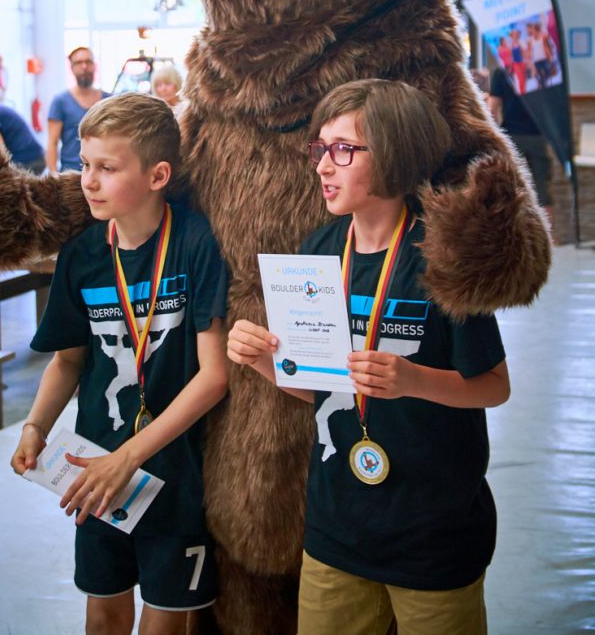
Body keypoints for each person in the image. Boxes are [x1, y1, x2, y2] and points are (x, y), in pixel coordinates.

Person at [228, 79, 510, 635]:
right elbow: (317, 384)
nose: (323, 166)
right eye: (321, 149)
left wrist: (413, 379)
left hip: (433, 531)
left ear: (397, 153)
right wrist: (263, 360)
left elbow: (493, 385)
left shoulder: (444, 254)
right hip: (337, 528)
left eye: (344, 150)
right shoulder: (318, 250)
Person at [10, 92, 229, 635]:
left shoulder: (195, 241)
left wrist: (129, 457)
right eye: (84, 164)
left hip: (175, 475)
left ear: (157, 175)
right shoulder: (82, 254)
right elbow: (67, 361)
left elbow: (214, 376)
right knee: (103, 614)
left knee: (167, 624)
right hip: (94, 471)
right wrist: (36, 425)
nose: (88, 180)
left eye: (107, 168)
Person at [489, 66, 554, 232]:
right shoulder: (538, 68)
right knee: (541, 187)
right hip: (537, 136)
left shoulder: (502, 70)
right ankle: (548, 238)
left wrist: (495, 134)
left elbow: (492, 109)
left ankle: (515, 235)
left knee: (510, 187)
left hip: (512, 137)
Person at [47, 47, 109, 172]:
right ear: (72, 68)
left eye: (88, 62)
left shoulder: (108, 101)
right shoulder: (60, 102)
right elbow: (52, 143)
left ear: (94, 66)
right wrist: (53, 177)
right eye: (79, 63)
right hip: (71, 174)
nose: (84, 66)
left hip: (103, 172)